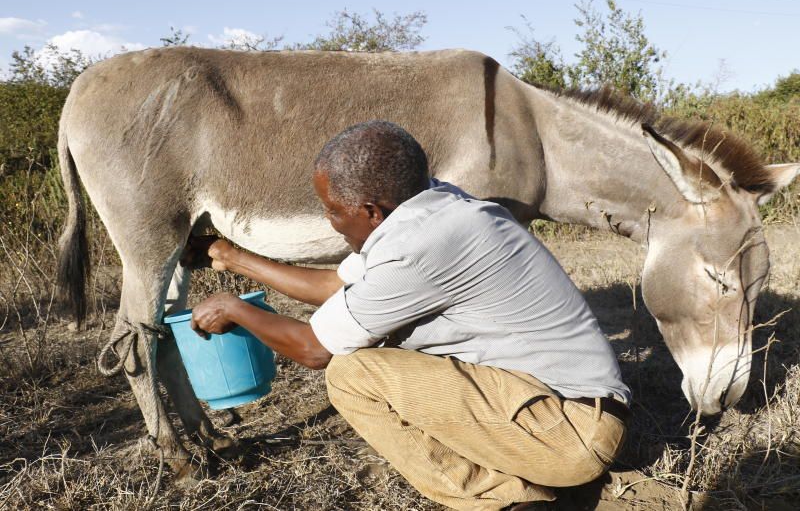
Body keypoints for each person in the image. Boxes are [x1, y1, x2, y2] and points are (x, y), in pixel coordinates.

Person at [185, 120, 631, 511]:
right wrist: (231, 257)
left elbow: (314, 350)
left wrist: (235, 308)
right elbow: (334, 286)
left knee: (353, 374)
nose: (330, 220)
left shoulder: (417, 249)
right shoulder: (430, 206)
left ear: (371, 212)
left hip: (567, 435)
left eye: (334, 210)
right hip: (565, 413)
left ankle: (503, 500)